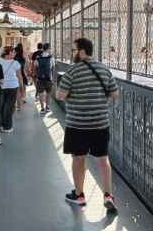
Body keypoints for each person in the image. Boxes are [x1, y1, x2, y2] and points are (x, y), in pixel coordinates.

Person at [56, 38, 119, 214]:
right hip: (100, 123)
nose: (73, 53)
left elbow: (60, 95)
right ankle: (108, 196)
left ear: (81, 51)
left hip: (78, 125)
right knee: (102, 159)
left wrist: (72, 95)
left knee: (79, 158)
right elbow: (114, 94)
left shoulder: (73, 71)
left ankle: (79, 195)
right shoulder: (104, 69)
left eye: (74, 50)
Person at [0, 46, 24, 133]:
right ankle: (7, 127)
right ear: (8, 53)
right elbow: (19, 77)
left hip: (1, 87)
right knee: (9, 107)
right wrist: (22, 88)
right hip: (13, 87)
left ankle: (0, 125)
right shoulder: (15, 63)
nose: (15, 53)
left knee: (2, 106)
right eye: (13, 52)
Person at [34, 43, 55, 114]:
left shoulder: (38, 57)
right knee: (48, 93)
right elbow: (52, 68)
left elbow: (36, 67)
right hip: (49, 78)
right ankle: (47, 107)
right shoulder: (51, 57)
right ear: (48, 49)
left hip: (40, 78)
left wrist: (36, 75)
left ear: (43, 48)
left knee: (40, 93)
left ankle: (42, 108)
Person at [14, 45, 28, 111]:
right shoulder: (23, 59)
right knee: (22, 89)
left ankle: (17, 105)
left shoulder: (13, 59)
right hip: (22, 74)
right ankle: (22, 100)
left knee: (16, 91)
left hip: (14, 76)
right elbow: (25, 68)